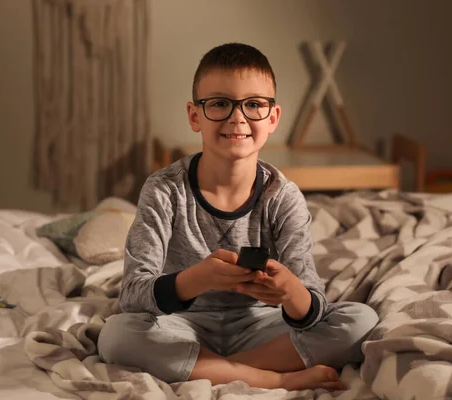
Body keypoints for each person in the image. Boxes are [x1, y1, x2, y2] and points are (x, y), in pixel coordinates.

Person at [98, 42, 378, 391]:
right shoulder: (164, 189)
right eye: (219, 103)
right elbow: (133, 294)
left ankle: (213, 370)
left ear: (273, 117)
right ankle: (275, 379)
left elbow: (311, 304)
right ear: (194, 115)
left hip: (263, 328)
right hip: (180, 325)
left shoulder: (283, 196)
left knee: (360, 320)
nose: (237, 118)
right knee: (116, 336)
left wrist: (289, 290)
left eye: (254, 105)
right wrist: (198, 279)